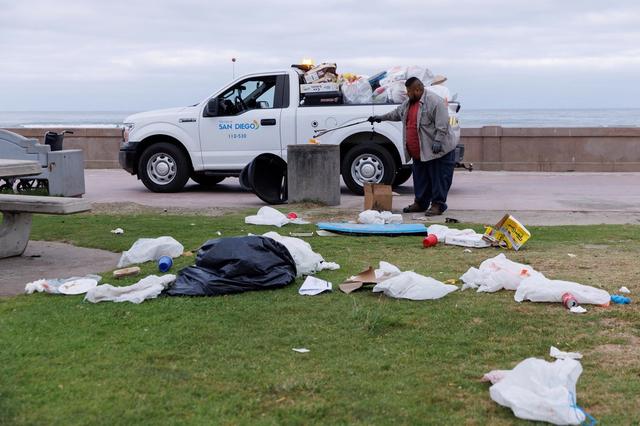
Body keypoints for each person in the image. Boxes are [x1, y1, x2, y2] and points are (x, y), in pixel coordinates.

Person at [368, 77, 457, 216]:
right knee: (420, 179)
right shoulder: (408, 103)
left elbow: (443, 125)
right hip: (418, 152)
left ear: (418, 89)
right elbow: (396, 113)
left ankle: (438, 205)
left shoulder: (435, 102)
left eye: (409, 91)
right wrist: (380, 118)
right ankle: (420, 203)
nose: (407, 94)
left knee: (438, 179)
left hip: (437, 151)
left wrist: (438, 141)